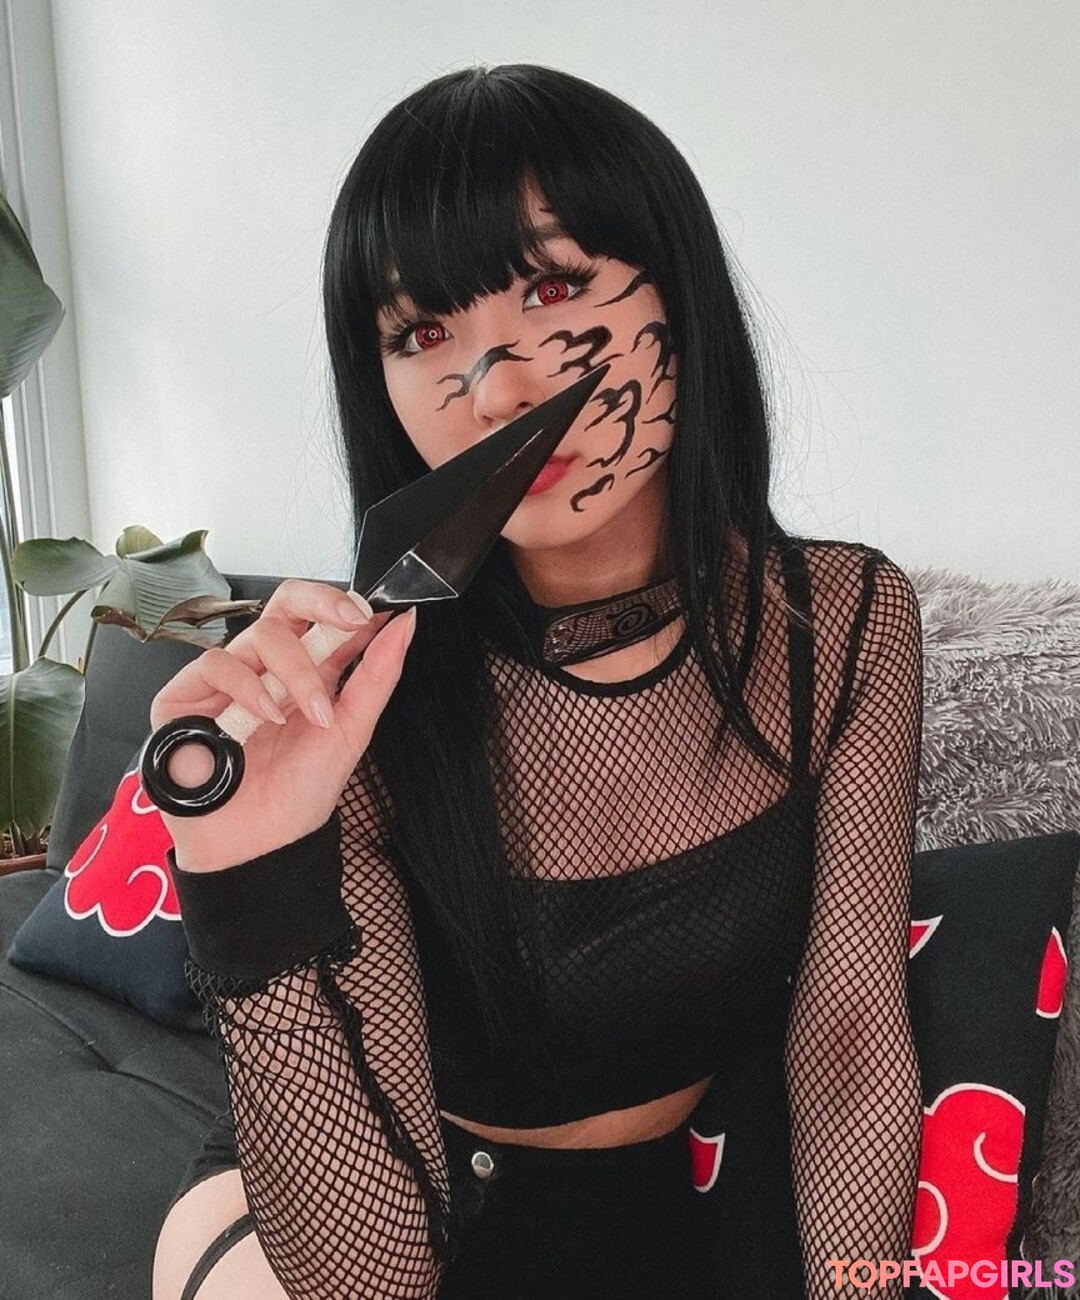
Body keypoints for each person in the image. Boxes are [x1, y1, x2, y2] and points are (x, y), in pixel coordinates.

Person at [150, 64, 924, 1300]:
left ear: (680, 296)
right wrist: (247, 882)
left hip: (660, 1207)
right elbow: (367, 1277)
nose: (495, 390)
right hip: (338, 1195)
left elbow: (848, 1037)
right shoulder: (356, 691)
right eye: (421, 334)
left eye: (554, 288)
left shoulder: (840, 620)